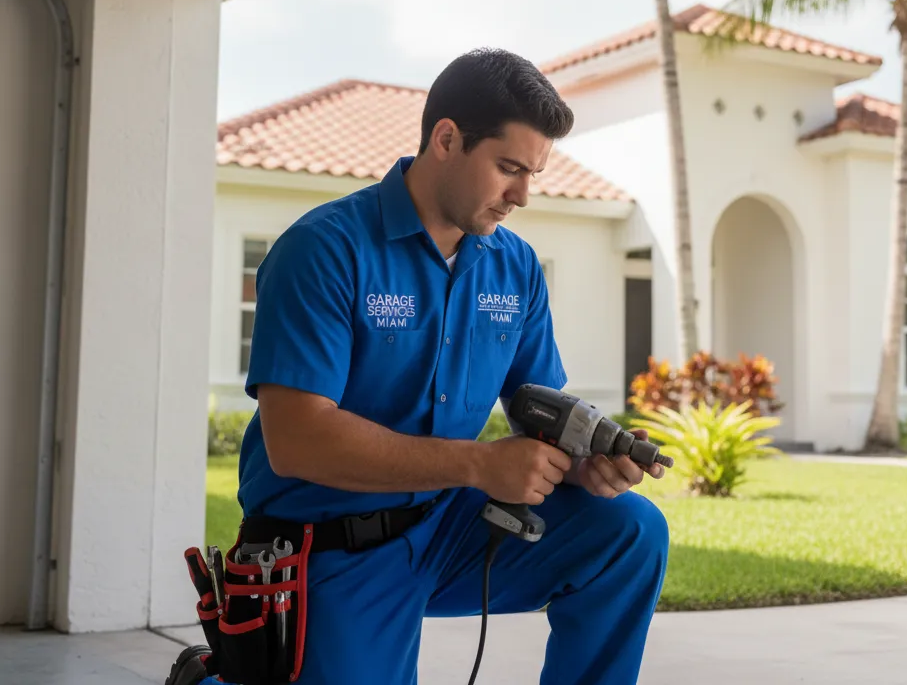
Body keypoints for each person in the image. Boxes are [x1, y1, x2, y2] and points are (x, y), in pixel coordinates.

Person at [232, 48, 669, 684]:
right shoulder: (322, 251)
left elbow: (539, 412)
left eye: (533, 174)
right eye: (509, 168)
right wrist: (478, 464)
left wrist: (586, 462)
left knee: (629, 531)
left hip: (451, 528)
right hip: (329, 544)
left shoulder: (513, 266)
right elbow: (296, 442)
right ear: (446, 139)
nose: (521, 195)